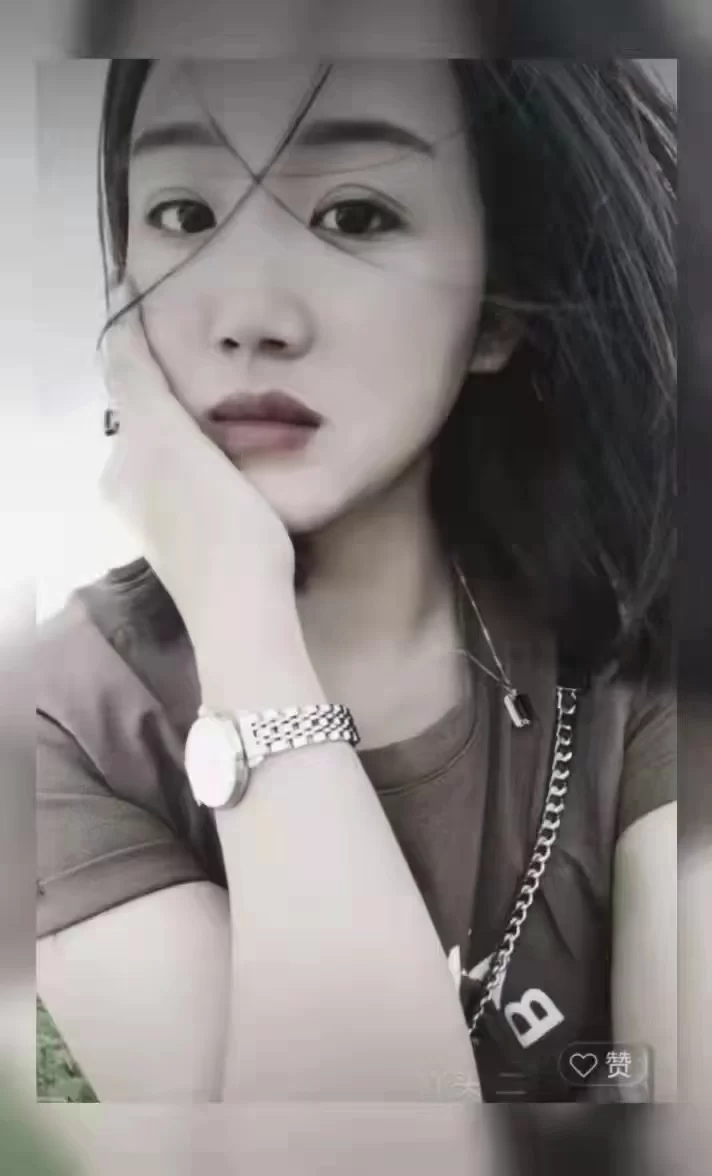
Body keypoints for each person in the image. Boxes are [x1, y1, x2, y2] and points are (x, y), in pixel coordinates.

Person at [35, 59, 676, 1104]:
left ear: (498, 309)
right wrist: (239, 608)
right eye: (185, 213)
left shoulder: (642, 630)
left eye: (355, 215)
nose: (249, 316)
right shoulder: (59, 719)